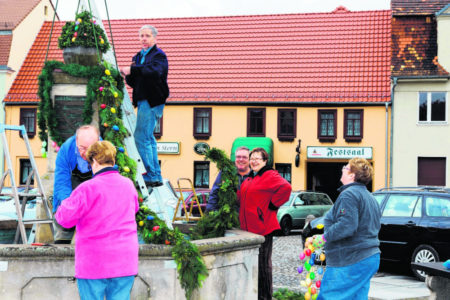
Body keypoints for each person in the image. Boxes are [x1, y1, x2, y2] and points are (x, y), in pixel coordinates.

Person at [55, 141, 139, 300]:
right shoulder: (128, 185)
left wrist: (65, 201)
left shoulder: (87, 188)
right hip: (125, 260)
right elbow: (133, 209)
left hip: (94, 262)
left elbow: (64, 219)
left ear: (94, 161)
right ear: (113, 160)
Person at [316, 157, 381, 300]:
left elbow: (347, 226)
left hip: (349, 260)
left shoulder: (349, 195)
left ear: (352, 175)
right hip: (369, 257)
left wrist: (324, 237)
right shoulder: (370, 198)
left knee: (329, 297)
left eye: (346, 167)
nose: (342, 169)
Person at [238, 147, 291, 300]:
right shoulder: (250, 178)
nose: (253, 161)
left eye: (257, 158)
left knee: (262, 265)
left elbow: (286, 188)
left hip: (263, 228)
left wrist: (273, 205)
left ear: (265, 161)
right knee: (252, 265)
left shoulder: (269, 175)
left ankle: (265, 297)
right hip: (248, 229)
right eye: (252, 158)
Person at [120, 25, 169, 188]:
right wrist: (128, 75)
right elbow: (136, 80)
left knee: (141, 137)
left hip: (152, 100)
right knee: (148, 137)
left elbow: (154, 71)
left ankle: (152, 173)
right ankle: (154, 173)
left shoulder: (159, 56)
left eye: (147, 36)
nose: (144, 39)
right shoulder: (138, 57)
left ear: (154, 38)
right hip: (142, 99)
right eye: (141, 36)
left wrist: (132, 70)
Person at [53, 125, 100, 244]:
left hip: (94, 188)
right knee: (63, 224)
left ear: (98, 142)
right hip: (70, 187)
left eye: (90, 149)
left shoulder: (105, 151)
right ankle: (61, 246)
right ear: (76, 140)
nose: (85, 153)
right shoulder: (65, 150)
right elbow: (61, 182)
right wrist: (68, 207)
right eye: (82, 148)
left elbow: (103, 182)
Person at [206, 146, 251, 212]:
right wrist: (211, 211)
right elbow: (215, 192)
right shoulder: (226, 173)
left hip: (250, 215)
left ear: (250, 160)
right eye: (238, 157)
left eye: (244, 157)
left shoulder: (255, 175)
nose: (241, 159)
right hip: (230, 215)